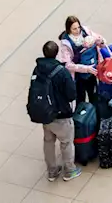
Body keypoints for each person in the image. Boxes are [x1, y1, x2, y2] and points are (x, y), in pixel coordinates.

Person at [32, 40, 80, 182]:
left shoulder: (38, 69)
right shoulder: (61, 71)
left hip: (45, 113)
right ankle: (69, 170)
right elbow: (71, 94)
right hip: (61, 114)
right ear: (56, 53)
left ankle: (52, 171)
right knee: (66, 142)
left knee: (48, 141)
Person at [55, 15, 105, 104]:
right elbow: (68, 65)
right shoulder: (65, 43)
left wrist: (98, 41)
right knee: (80, 99)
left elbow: (101, 41)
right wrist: (86, 69)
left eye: (78, 27)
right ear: (68, 29)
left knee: (94, 96)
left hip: (92, 71)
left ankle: (95, 114)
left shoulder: (86, 31)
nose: (78, 30)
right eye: (74, 29)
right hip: (79, 76)